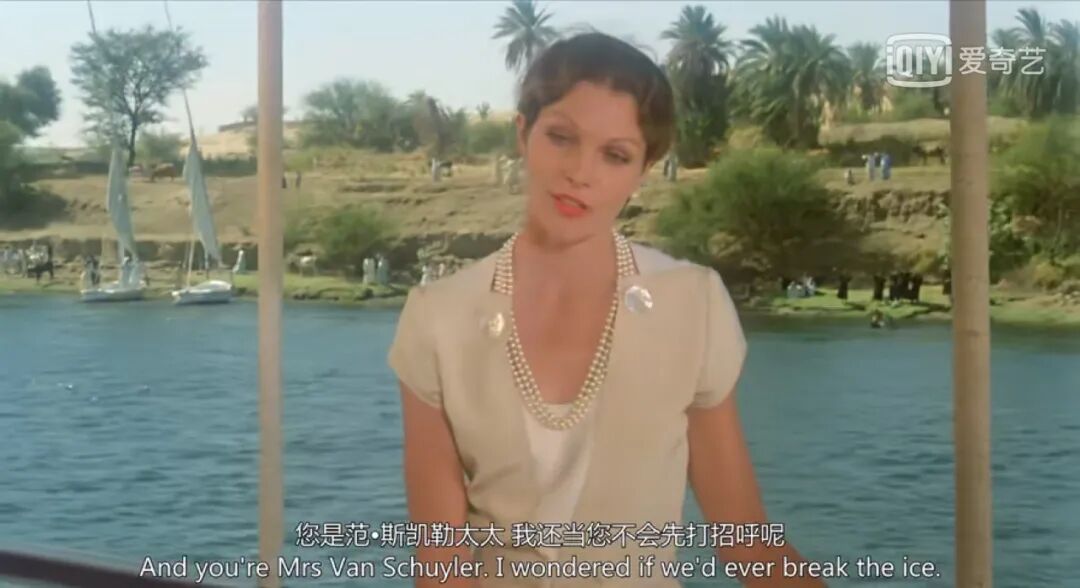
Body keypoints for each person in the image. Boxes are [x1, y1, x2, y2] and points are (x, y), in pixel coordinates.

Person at [388, 32, 823, 588]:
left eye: (614, 155)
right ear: (523, 134)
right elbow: (440, 565)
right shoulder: (437, 318)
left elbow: (747, 541)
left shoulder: (692, 304)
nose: (580, 172)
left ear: (643, 169)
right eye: (561, 138)